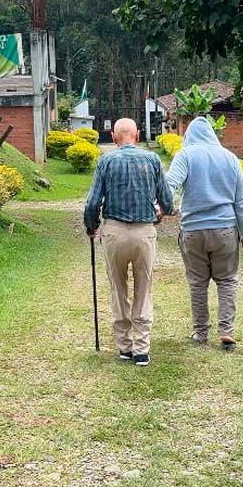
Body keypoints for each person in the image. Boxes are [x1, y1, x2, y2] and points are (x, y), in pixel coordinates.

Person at [83, 118, 175, 366]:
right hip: (144, 233)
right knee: (143, 290)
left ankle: (124, 347)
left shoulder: (106, 161)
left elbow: (93, 202)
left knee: (118, 289)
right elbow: (166, 199)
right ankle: (142, 349)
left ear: (113, 137)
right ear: (137, 134)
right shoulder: (152, 160)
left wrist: (91, 226)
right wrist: (163, 211)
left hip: (114, 232)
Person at [165, 116, 243, 350]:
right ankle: (226, 331)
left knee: (197, 283)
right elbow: (241, 202)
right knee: (226, 281)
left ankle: (201, 332)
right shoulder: (231, 158)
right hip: (225, 231)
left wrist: (160, 207)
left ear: (189, 136)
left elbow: (169, 185)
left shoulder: (185, 155)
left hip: (193, 231)